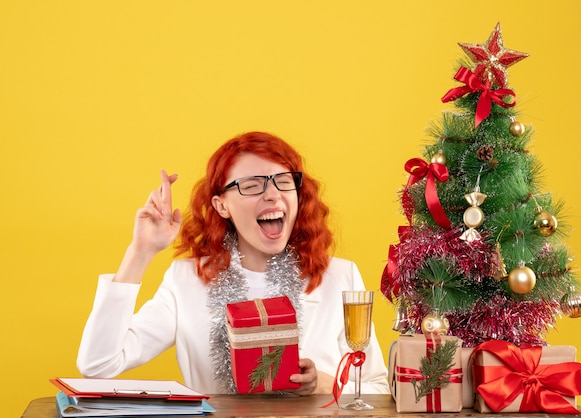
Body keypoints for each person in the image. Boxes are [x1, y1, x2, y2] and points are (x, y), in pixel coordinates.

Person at [77, 131, 390, 396]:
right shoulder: (186, 280)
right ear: (221, 205)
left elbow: (378, 386)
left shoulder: (339, 276)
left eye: (283, 181)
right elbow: (98, 364)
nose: (272, 195)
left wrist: (325, 384)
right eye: (252, 185)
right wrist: (141, 252)